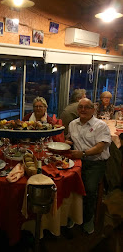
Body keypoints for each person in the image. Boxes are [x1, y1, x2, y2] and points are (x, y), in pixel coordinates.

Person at [67, 98, 111, 234]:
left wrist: (83, 154)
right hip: (77, 161)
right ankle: (73, 214)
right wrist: (62, 144)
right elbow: (70, 140)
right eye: (80, 107)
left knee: (89, 188)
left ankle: (88, 219)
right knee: (67, 184)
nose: (83, 110)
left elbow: (99, 148)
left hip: (95, 163)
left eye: (87, 107)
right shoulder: (73, 124)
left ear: (93, 109)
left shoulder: (101, 126)